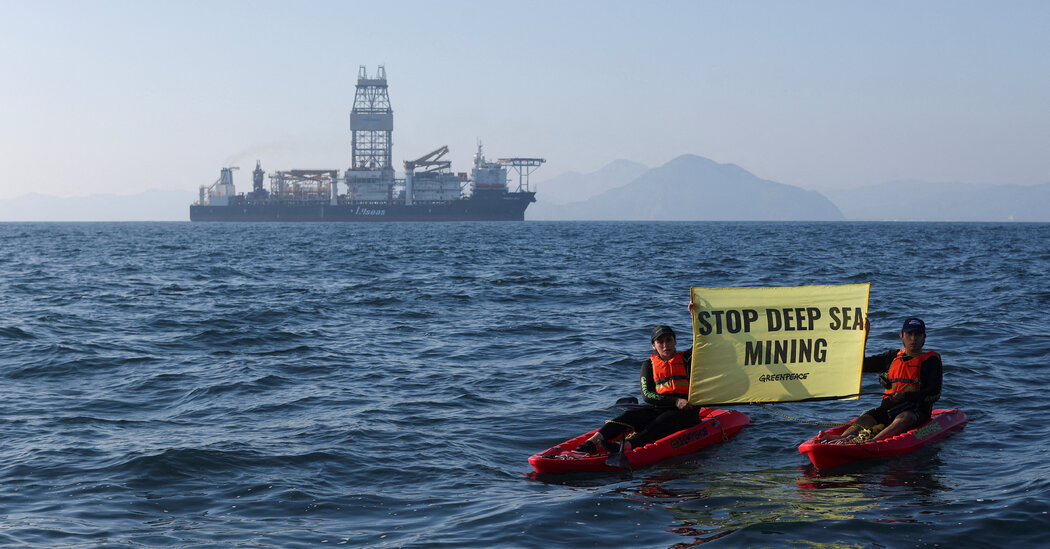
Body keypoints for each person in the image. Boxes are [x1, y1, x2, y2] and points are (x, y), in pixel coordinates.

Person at [575, 310, 702, 455]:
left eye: (669, 340)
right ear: (654, 346)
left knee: (664, 420)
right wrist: (675, 401)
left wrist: (694, 315)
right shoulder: (649, 365)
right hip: (660, 407)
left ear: (675, 341)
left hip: (686, 411)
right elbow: (647, 395)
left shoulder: (687, 359)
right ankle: (592, 442)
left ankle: (627, 446)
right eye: (660, 342)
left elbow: (702, 340)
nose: (665, 345)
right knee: (630, 415)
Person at [821, 317, 943, 444]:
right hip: (889, 410)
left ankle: (872, 442)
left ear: (924, 337)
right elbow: (862, 365)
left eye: (917, 334)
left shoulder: (931, 361)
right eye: (909, 334)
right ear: (901, 336)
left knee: (904, 417)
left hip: (916, 411)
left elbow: (934, 393)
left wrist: (905, 395)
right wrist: (863, 337)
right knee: (866, 418)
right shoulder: (892, 357)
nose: (913, 338)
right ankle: (840, 438)